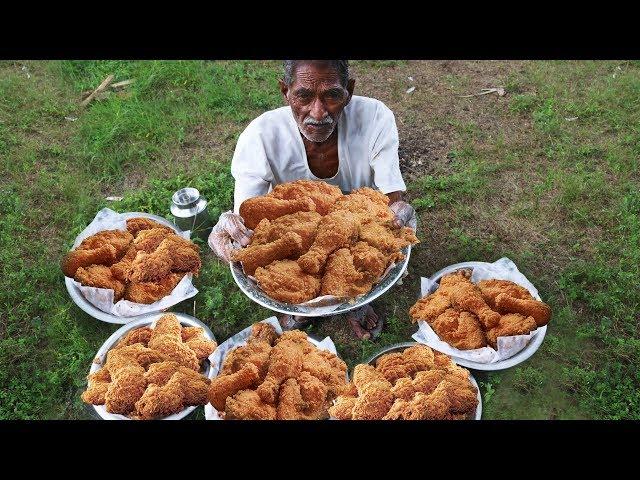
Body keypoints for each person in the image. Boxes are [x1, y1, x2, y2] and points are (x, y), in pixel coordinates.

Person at [209, 60, 416, 339]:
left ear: (349, 91)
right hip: (292, 232)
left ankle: (357, 297)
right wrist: (230, 226)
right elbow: (246, 218)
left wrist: (398, 215)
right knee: (285, 261)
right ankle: (305, 302)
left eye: (332, 95)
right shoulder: (260, 135)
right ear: (285, 91)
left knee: (371, 262)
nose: (318, 113)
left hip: (362, 227)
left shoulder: (375, 118)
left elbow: (393, 200)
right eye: (303, 96)